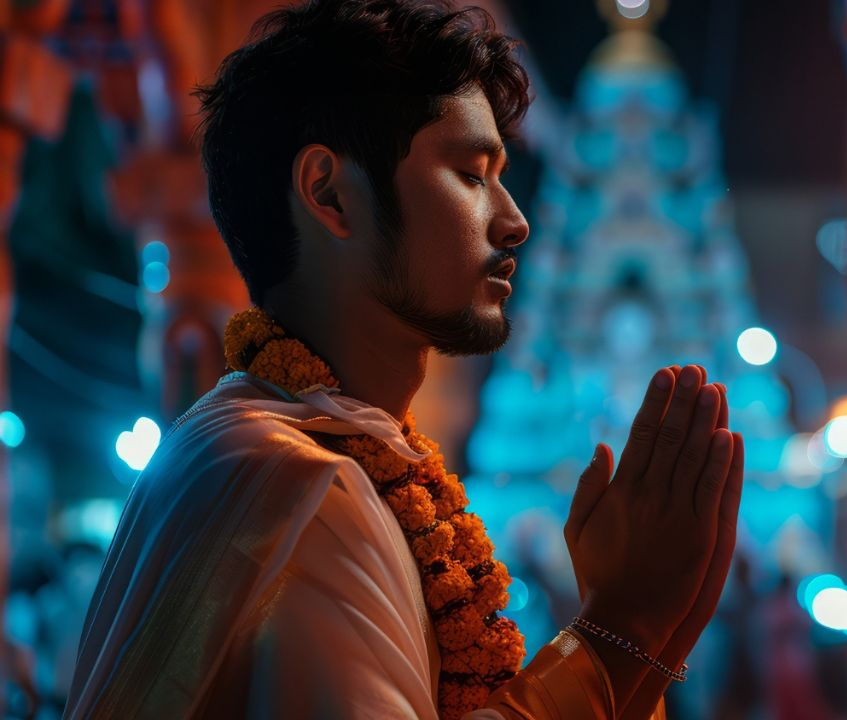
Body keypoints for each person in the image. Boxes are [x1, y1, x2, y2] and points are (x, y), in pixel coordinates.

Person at [63, 1, 744, 718]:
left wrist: (655, 637)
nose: (515, 221)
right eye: (471, 173)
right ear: (330, 194)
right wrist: (620, 630)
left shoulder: (306, 454)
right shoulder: (299, 492)